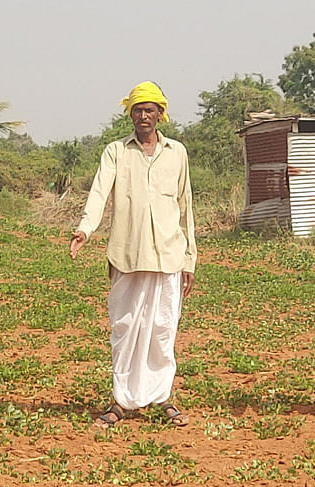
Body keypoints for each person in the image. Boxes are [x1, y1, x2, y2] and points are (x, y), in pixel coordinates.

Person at [70, 81, 197, 429]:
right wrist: (85, 228)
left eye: (150, 110)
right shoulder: (115, 152)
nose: (144, 115)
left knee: (162, 329)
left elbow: (186, 208)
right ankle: (121, 401)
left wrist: (190, 260)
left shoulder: (177, 153)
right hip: (126, 255)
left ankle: (162, 397)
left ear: (160, 115)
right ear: (130, 114)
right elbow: (99, 193)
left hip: (169, 257)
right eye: (137, 110)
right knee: (125, 329)